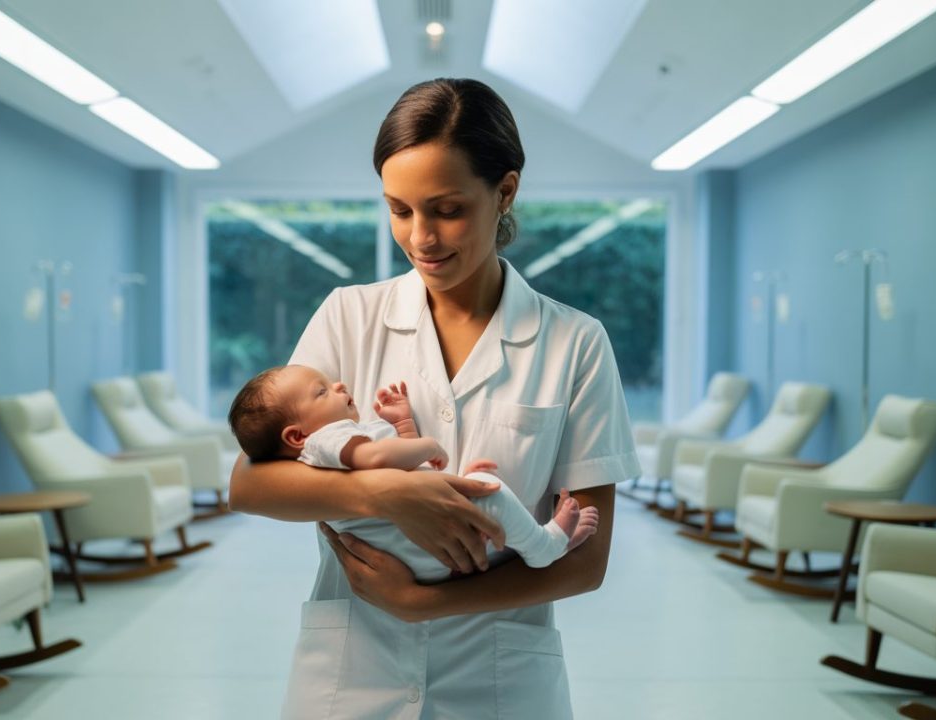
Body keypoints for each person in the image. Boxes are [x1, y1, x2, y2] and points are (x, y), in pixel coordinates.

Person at [229, 77, 639, 719]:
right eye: (399, 209)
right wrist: (382, 494)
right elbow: (251, 484)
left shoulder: (575, 343)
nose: (421, 237)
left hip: (498, 681)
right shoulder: (347, 315)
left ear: (505, 191)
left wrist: (427, 603)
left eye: (447, 209)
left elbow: (586, 563)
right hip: (353, 675)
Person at [227, 364, 599, 581]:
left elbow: (397, 468)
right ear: (296, 435)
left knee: (479, 490)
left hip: (409, 551)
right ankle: (543, 546)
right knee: (493, 491)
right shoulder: (325, 441)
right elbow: (376, 462)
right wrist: (428, 446)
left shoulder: (338, 440)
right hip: (409, 548)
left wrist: (403, 424)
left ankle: (493, 519)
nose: (339, 384)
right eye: (322, 391)